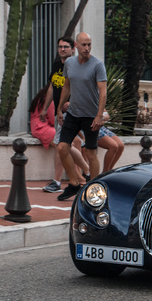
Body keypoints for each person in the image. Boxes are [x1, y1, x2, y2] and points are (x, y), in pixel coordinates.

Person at [55, 32, 107, 201]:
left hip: (91, 116)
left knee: (91, 153)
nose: (87, 48)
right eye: (83, 45)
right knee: (62, 147)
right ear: (76, 46)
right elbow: (66, 86)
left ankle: (93, 188)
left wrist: (99, 116)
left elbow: (103, 92)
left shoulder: (97, 65)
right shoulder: (69, 63)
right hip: (73, 113)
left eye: (89, 44)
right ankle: (74, 184)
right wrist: (59, 109)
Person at [38, 37, 90, 193]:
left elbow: (85, 88)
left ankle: (57, 181)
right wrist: (45, 108)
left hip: (71, 112)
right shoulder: (57, 65)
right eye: (60, 46)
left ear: (73, 48)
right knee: (63, 144)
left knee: (60, 144)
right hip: (59, 112)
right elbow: (52, 88)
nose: (62, 49)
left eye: (66, 47)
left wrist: (72, 103)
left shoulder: (77, 65)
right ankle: (87, 172)